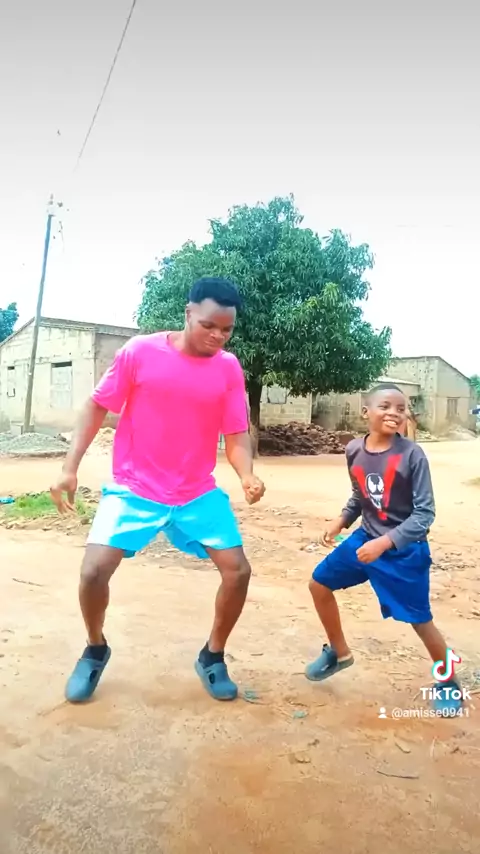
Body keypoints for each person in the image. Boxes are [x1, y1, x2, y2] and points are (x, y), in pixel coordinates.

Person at [50, 277, 265, 704]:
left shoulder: (228, 367)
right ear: (188, 314)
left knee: (238, 572)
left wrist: (246, 474)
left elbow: (236, 432)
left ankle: (212, 656)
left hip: (195, 491)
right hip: (135, 487)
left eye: (227, 330)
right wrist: (68, 468)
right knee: (93, 572)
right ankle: (95, 649)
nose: (218, 336)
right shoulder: (140, 352)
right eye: (209, 326)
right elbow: (97, 406)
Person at [305, 382, 462, 714]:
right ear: (366, 412)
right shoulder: (353, 450)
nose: (394, 413)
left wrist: (385, 542)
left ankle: (448, 681)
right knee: (318, 584)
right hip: (365, 539)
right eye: (386, 406)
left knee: (420, 621)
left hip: (404, 551)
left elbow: (424, 514)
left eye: (401, 409)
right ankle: (339, 652)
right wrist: (341, 521)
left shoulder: (412, 455)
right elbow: (359, 496)